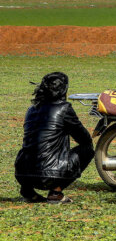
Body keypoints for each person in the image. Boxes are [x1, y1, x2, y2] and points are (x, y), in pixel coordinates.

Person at [15, 72, 94, 204]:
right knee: (87, 149)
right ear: (64, 89)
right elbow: (84, 139)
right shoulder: (64, 108)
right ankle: (56, 192)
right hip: (50, 175)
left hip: (22, 173)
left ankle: (28, 191)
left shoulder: (31, 109)